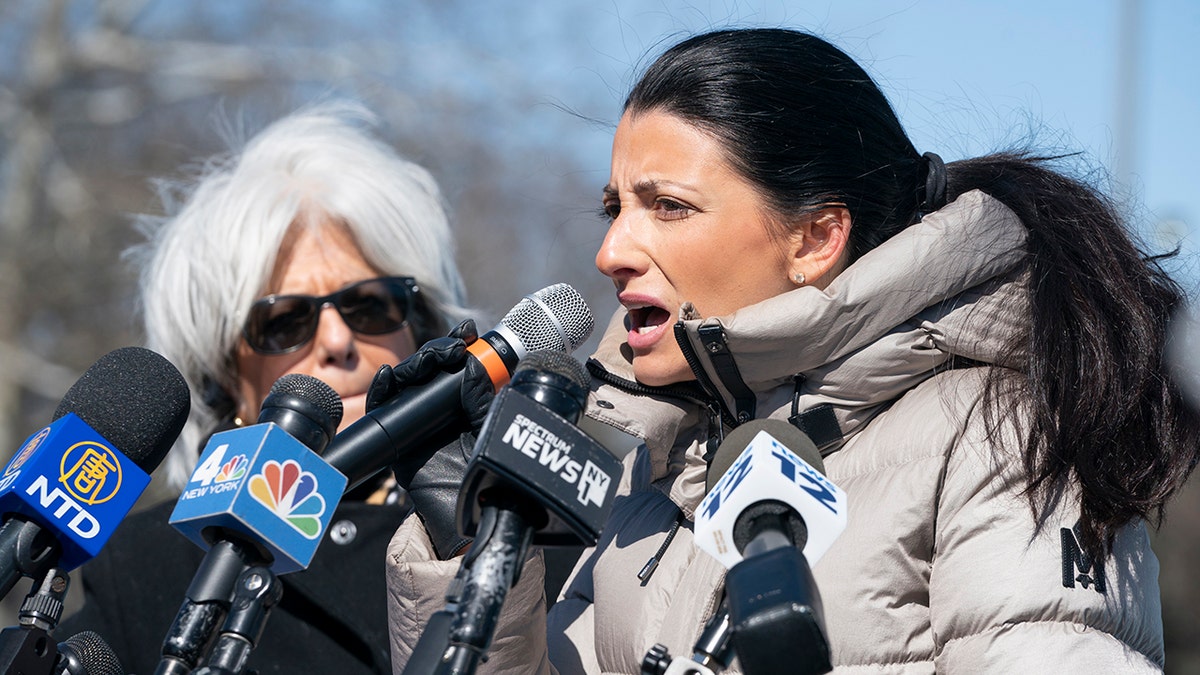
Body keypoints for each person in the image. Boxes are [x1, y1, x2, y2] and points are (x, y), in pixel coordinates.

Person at [383, 28, 1200, 673]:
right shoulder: (656, 458)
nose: (613, 251)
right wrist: (469, 541)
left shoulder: (991, 434)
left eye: (667, 206)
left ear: (815, 238)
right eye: (614, 209)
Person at [58, 101, 471, 675]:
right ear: (226, 378)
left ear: (419, 329)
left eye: (370, 305)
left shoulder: (515, 526)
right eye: (285, 322)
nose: (337, 339)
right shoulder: (143, 567)